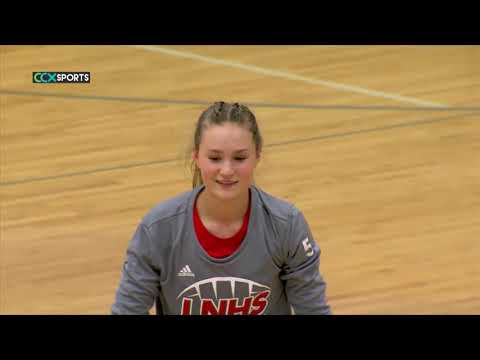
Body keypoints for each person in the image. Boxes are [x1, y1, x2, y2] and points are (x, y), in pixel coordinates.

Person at [111, 101, 331, 315]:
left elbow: (312, 309)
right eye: (215, 158)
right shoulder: (158, 229)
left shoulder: (286, 226)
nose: (226, 170)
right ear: (196, 157)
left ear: (257, 156)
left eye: (240, 158)